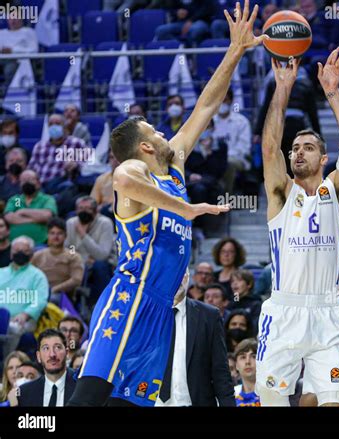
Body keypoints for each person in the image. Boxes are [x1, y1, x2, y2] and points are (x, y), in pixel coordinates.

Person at [67, 1, 264, 407]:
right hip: (131, 294)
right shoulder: (133, 176)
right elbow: (121, 177)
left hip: (162, 307)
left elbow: (206, 105)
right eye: (154, 130)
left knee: (131, 404)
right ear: (144, 146)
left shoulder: (173, 167)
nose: (162, 132)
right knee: (88, 397)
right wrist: (186, 209)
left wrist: (234, 52)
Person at [256, 47, 339, 407]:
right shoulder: (280, 194)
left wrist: (332, 92)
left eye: (307, 147)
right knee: (271, 401)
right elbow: (270, 147)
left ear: (323, 157)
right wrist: (283, 86)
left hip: (327, 315)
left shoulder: (336, 190)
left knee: (335, 401)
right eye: (295, 148)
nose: (298, 152)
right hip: (283, 312)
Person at [154, 271, 235, 407]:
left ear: (188, 277)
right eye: (172, 272)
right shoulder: (144, 314)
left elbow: (220, 370)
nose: (177, 279)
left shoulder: (209, 316)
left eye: (181, 273)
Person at [254, 61, 321, 176]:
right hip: (281, 127)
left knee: (295, 161)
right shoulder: (275, 84)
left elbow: (312, 112)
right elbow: (266, 108)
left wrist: (318, 134)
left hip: (294, 127)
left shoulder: (304, 85)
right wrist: (258, 132)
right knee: (282, 161)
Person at [0, 236, 49, 358]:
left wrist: (25, 314)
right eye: (17, 250)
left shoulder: (38, 276)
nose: (20, 253)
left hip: (23, 320)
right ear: (11, 254)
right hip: (1, 317)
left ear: (31, 254)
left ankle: (6, 362)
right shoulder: (1, 272)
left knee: (13, 328)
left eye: (25, 251)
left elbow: (41, 300)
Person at [65, 196, 115, 305]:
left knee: (99, 265)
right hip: (79, 261)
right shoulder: (71, 223)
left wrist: (83, 235)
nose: (83, 211)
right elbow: (70, 248)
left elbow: (102, 255)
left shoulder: (105, 223)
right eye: (80, 208)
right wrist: (80, 258)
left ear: (96, 210)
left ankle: (103, 304)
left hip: (101, 263)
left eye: (88, 208)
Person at [13, 329, 76, 407]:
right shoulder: (24, 392)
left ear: (67, 353)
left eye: (57, 347)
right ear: (38, 356)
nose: (52, 354)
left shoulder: (83, 386)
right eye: (46, 348)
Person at [31, 218, 84, 301]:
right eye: (52, 233)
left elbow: (76, 280)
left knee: (52, 298)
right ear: (47, 235)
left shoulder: (74, 256)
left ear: (65, 236)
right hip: (38, 293)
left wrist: (54, 290)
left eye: (59, 233)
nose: (56, 237)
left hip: (62, 296)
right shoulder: (37, 255)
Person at [28, 113, 85, 185]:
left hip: (62, 185)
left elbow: (89, 165)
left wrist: (76, 164)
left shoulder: (77, 143)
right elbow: (31, 168)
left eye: (57, 124)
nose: (53, 126)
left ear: (64, 126)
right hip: (41, 186)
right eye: (51, 124)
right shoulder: (39, 146)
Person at [213, 88, 252, 194]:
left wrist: (224, 157)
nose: (222, 103)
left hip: (237, 159)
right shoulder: (210, 121)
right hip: (214, 158)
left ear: (231, 101)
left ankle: (226, 198)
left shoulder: (241, 122)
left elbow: (244, 148)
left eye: (224, 100)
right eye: (219, 100)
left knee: (228, 163)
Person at [4, 170, 58, 245]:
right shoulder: (17, 200)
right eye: (23, 180)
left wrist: (23, 211)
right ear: (20, 184)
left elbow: (47, 216)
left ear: (38, 183)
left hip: (40, 244)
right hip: (14, 244)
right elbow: (10, 218)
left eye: (30, 179)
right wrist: (35, 219)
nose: (27, 182)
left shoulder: (46, 199)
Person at [0, 18, 39, 84]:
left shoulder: (29, 32)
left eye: (15, 18)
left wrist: (12, 51)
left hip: (18, 60)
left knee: (9, 69)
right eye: (10, 19)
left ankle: (7, 91)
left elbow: (34, 50)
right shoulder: (1, 33)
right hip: (2, 58)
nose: (13, 21)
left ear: (21, 20)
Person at [90, 152, 120, 220]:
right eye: (112, 157)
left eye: (118, 157)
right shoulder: (101, 179)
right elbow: (93, 202)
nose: (115, 160)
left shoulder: (133, 178)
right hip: (104, 212)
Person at [234, 338, 260, 406]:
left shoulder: (272, 393)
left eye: (253, 356)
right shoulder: (230, 396)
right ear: (236, 365)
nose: (247, 362)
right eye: (243, 357)